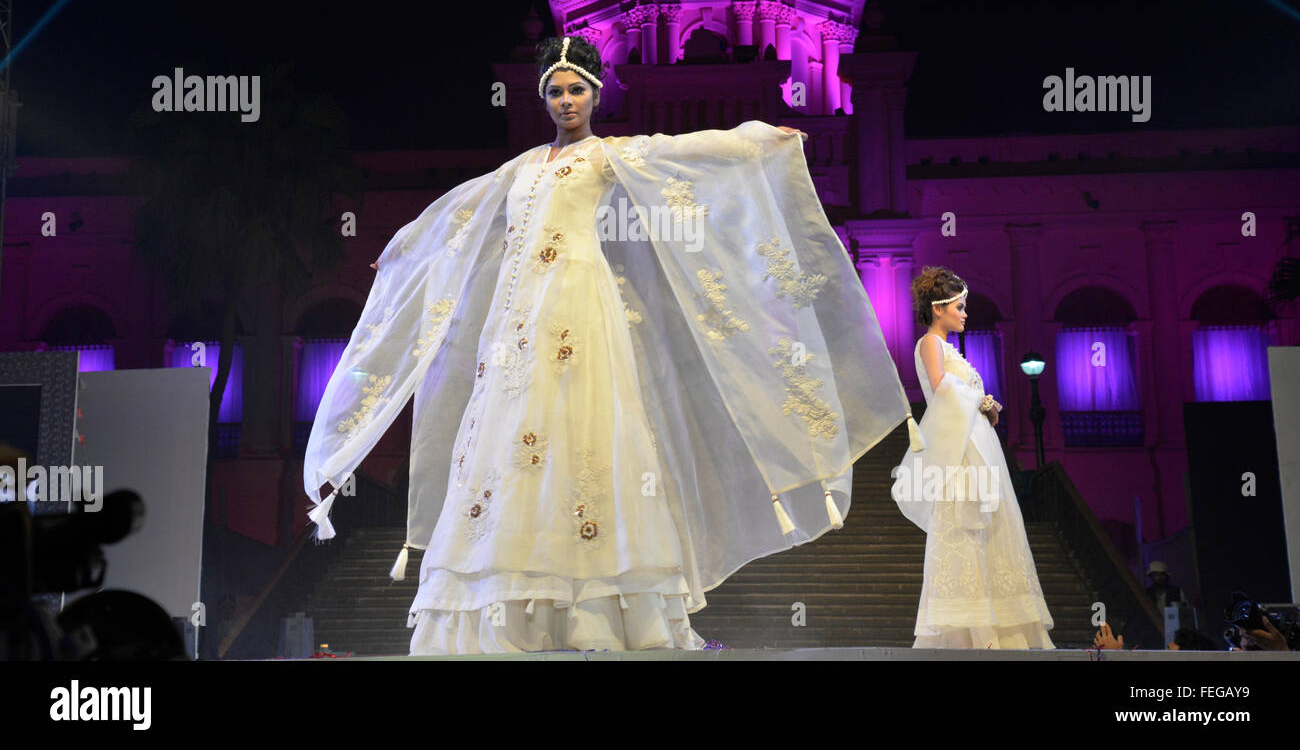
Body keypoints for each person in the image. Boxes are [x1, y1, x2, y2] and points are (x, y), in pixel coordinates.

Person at [302, 34, 920, 654]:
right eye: (554, 91)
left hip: (579, 308)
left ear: (596, 94)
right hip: (516, 326)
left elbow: (690, 154)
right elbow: (458, 213)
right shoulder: (519, 170)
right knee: (508, 445)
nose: (566, 100)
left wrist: (762, 139)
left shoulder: (610, 156)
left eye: (576, 89)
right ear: (542, 98)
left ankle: (598, 611)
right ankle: (513, 611)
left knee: (586, 436)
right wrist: (406, 247)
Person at [892, 266, 1054, 648]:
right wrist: (979, 400)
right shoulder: (930, 343)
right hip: (960, 452)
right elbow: (939, 385)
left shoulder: (949, 347)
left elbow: (953, 389)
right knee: (965, 528)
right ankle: (971, 630)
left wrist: (986, 408)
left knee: (991, 532)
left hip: (975, 443)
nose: (965, 314)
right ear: (939, 309)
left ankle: (998, 626)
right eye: (959, 307)